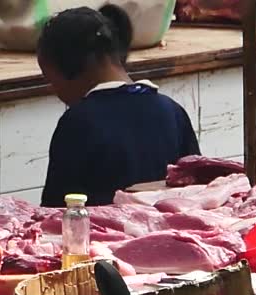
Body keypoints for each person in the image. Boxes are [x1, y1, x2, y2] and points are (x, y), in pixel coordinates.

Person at [38, 5, 201, 207]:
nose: (56, 93)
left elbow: (55, 216)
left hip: (107, 237)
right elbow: (197, 192)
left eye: (52, 81)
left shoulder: (78, 123)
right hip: (175, 235)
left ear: (69, 67)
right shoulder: (172, 110)